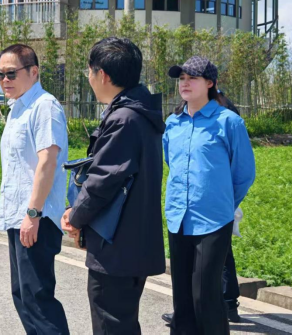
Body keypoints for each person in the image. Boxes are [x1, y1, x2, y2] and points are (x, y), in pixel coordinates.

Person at [61, 37, 166, 335]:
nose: (89, 78)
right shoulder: (139, 113)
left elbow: (102, 181)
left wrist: (75, 216)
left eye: (89, 71)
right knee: (121, 322)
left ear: (103, 75)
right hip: (132, 240)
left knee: (111, 323)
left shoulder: (124, 119)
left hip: (116, 245)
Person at [163, 56, 255, 335]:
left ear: (210, 83)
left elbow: (243, 174)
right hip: (178, 217)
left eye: (192, 78)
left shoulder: (229, 122)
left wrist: (222, 202)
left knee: (205, 295)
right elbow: (171, 163)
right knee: (182, 297)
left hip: (214, 220)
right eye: (182, 78)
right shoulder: (172, 123)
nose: (185, 83)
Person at [0, 44, 70, 335]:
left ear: (34, 71)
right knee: (23, 295)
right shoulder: (17, 109)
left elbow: (47, 162)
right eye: (0, 75)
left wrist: (33, 213)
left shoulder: (44, 106)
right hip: (20, 216)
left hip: (36, 217)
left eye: (11, 73)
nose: (5, 80)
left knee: (38, 299)